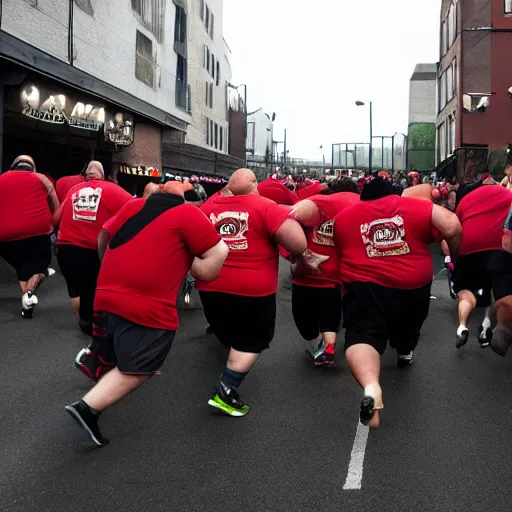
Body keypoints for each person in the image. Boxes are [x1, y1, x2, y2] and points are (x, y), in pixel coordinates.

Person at [65, 180, 228, 446]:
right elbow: (218, 254)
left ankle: (98, 354)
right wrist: (193, 268)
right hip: (148, 303)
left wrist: (110, 265)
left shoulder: (133, 205)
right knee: (141, 365)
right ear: (193, 200)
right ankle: (87, 408)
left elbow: (104, 236)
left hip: (106, 292)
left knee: (117, 336)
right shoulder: (189, 214)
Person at [333, 177, 462, 427]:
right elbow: (452, 226)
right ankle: (404, 350)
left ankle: (371, 386)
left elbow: (340, 249)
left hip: (364, 284)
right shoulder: (415, 206)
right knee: (408, 325)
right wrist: (457, 255)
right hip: (411, 285)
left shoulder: (345, 217)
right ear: (393, 193)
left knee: (362, 335)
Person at [195, 169, 316, 417]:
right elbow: (297, 243)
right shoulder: (265, 206)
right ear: (254, 184)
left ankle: (230, 357)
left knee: (228, 332)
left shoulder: (207, 207)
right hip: (252, 291)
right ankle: (226, 391)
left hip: (210, 286)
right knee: (252, 340)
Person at [52, 161, 132, 334]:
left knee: (75, 289)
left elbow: (56, 218)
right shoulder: (112, 190)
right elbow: (135, 208)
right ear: (102, 175)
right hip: (91, 250)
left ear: (86, 175)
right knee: (93, 287)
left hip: (66, 248)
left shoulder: (74, 190)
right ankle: (91, 323)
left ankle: (83, 321)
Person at [288, 177, 359, 366]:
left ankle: (317, 345)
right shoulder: (360, 206)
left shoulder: (316, 202)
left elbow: (289, 224)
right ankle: (328, 348)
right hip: (336, 276)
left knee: (304, 319)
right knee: (331, 314)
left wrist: (293, 255)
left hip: (307, 273)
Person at [451, 175, 512, 351]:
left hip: (470, 249)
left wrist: (456, 255)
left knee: (466, 292)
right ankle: (487, 325)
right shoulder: (507, 195)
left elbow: (455, 226)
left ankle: (462, 326)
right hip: (498, 249)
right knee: (493, 291)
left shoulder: (467, 199)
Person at [0, 155, 60, 318]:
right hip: (37, 233)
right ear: (32, 168)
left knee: (22, 268)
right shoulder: (42, 179)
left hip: (5, 237)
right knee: (40, 266)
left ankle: (27, 301)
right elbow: (57, 208)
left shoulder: (1, 178)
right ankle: (33, 288)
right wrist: (54, 224)